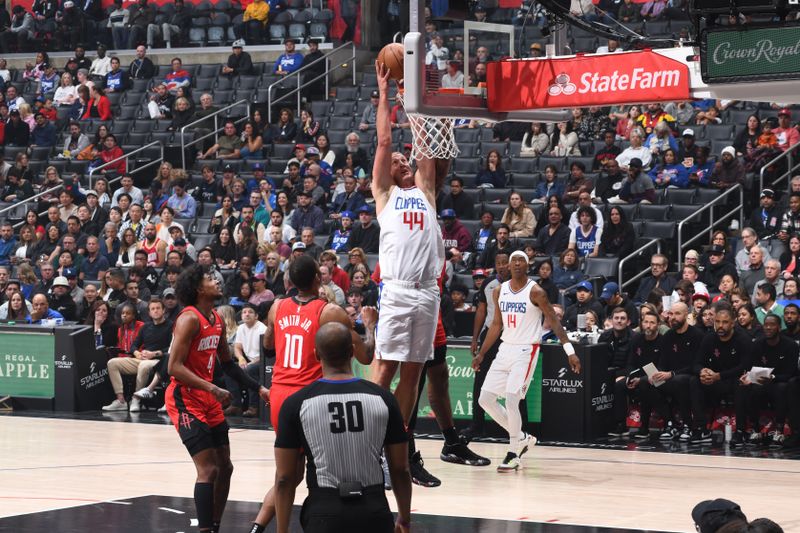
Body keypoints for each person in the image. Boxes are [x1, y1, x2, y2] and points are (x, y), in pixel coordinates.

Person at [249, 255, 374, 532]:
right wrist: (371, 326)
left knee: (287, 476)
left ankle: (262, 527)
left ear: (291, 281)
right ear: (318, 278)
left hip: (280, 396)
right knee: (325, 472)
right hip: (312, 398)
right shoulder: (329, 311)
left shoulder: (277, 307)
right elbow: (365, 356)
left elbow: (268, 346)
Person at [368, 62, 449, 486]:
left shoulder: (426, 192)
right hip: (398, 291)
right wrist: (387, 92)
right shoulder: (385, 196)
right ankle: (368, 447)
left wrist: (418, 96)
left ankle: (393, 446)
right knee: (383, 371)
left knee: (414, 374)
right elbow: (384, 139)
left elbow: (427, 146)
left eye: (404, 158)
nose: (400, 159)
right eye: (395, 159)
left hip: (427, 294)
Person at [272, 322, 411, 533]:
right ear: (353, 352)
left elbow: (284, 478)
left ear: (316, 354)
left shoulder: (296, 403)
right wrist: (404, 517)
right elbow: (400, 470)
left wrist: (282, 530)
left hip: (324, 512)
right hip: (373, 510)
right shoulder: (383, 398)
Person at [165, 264, 268, 533]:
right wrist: (212, 389)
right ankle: (205, 530)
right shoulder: (189, 319)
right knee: (208, 469)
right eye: (211, 279)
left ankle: (215, 526)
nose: (217, 282)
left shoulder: (217, 319)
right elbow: (173, 367)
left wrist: (258, 389)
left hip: (207, 397)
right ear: (199, 288)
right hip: (184, 397)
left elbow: (229, 365)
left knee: (226, 466)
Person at [473, 251, 580, 470]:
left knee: (512, 399)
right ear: (509, 266)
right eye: (514, 261)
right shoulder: (499, 291)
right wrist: (482, 353)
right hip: (505, 349)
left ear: (528, 265)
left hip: (526, 349)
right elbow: (495, 325)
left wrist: (569, 351)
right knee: (485, 399)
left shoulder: (536, 291)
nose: (518, 264)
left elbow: (554, 322)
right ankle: (521, 436)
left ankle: (513, 452)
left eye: (522, 260)